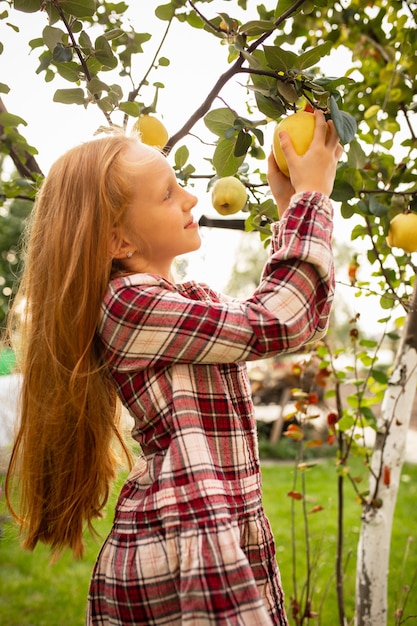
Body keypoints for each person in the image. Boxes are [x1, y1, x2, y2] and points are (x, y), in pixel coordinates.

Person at [5, 109, 343, 625]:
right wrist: (311, 198)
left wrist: (290, 207)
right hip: (184, 544)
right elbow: (279, 320)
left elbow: (304, 321)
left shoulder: (179, 300)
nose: (190, 197)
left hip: (211, 525)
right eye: (167, 193)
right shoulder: (127, 305)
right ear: (119, 241)